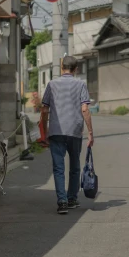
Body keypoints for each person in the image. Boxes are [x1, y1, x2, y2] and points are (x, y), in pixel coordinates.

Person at [41, 55, 94, 214]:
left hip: (56, 131)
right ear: (76, 69)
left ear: (61, 66)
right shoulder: (80, 84)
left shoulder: (51, 84)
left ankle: (62, 202)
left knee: (58, 168)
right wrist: (90, 133)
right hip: (74, 131)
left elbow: (44, 110)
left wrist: (44, 132)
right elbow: (85, 109)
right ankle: (72, 198)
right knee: (75, 166)